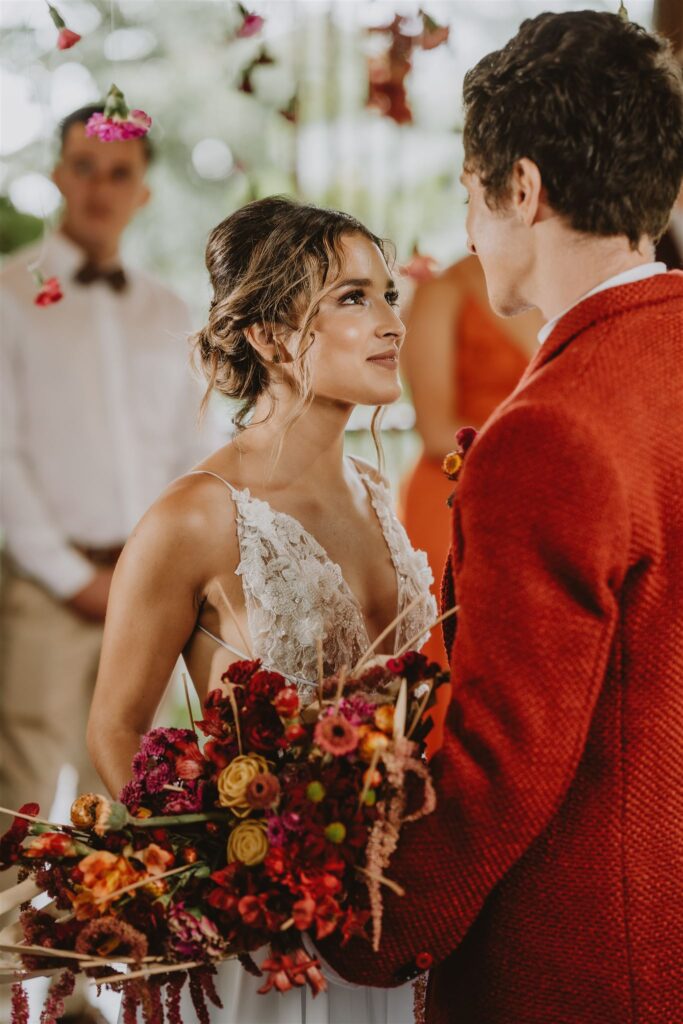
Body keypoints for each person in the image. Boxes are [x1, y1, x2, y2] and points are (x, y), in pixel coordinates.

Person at [320, 11, 683, 1024]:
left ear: (518, 189)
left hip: (581, 968)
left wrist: (363, 925)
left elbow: (500, 764)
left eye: (471, 197)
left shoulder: (549, 431)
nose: (471, 230)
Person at [88, 196, 437, 1023]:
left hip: (395, 917)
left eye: (388, 294)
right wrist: (230, 879)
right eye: (353, 298)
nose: (390, 321)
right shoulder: (197, 516)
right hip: (270, 948)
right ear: (270, 338)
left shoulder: (377, 491)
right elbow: (115, 728)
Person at [0, 103, 212, 838]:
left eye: (119, 172)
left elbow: (192, 453)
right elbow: (4, 458)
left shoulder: (168, 307)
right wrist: (71, 577)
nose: (99, 186)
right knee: (20, 795)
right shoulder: (7, 295)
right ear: (58, 175)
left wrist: (161, 574)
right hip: (44, 591)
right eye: (83, 167)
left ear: (143, 189)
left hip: (144, 593)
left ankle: (121, 953)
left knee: (131, 795)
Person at [399, 254, 542, 648]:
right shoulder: (443, 290)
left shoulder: (559, 283)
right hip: (454, 491)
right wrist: (537, 449)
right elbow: (433, 429)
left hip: (538, 497)